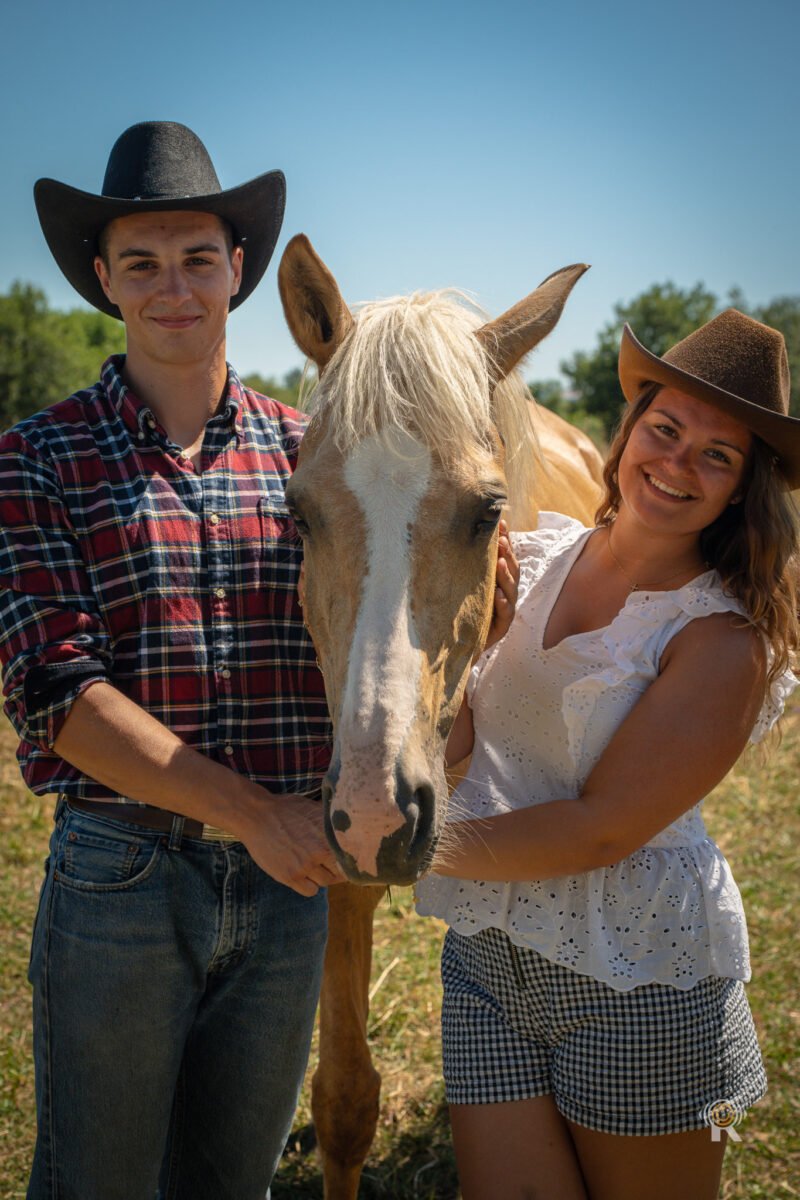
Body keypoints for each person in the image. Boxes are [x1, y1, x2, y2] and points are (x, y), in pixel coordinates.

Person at [0, 121, 346, 1200]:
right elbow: (57, 693)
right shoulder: (36, 455)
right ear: (104, 281)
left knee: (229, 1184)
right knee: (99, 1182)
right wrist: (253, 811)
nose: (174, 289)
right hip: (121, 877)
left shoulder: (315, 456)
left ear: (237, 270)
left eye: (199, 258)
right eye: (141, 265)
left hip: (290, 889)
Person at [416, 308, 800, 1200]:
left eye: (717, 455)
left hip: (636, 973)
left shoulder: (721, 637)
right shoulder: (537, 551)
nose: (676, 463)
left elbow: (600, 831)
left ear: (743, 488)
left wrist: (407, 849)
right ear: (627, 433)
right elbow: (464, 759)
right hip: (487, 956)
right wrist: (474, 655)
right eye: (664, 430)